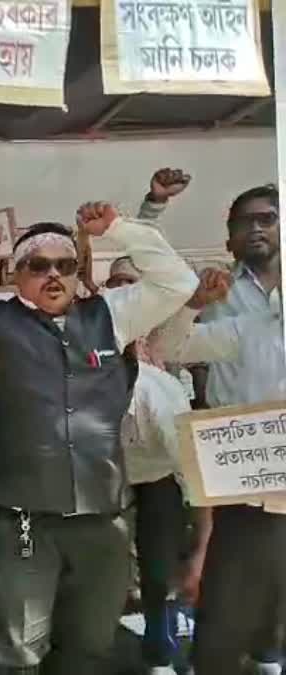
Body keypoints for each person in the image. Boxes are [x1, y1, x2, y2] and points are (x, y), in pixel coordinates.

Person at [0, 201, 197, 674]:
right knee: (19, 651)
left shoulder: (111, 316)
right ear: (16, 275)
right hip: (25, 522)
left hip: (103, 520)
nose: (53, 274)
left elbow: (179, 282)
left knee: (89, 646)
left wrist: (120, 229)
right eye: (38, 265)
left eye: (65, 265)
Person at [150, 267, 283, 675]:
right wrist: (193, 305)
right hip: (251, 497)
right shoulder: (250, 329)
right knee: (225, 615)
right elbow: (168, 347)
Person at [105, 259, 193, 675]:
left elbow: (187, 469)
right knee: (99, 570)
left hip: (159, 478)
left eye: (130, 281)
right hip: (106, 477)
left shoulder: (158, 390)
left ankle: (160, 653)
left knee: (158, 572)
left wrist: (201, 537)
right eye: (115, 281)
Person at [200, 184, 280, 409]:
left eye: (266, 219)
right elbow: (152, 278)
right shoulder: (212, 287)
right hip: (233, 424)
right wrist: (155, 204)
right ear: (231, 236)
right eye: (244, 222)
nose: (255, 228)